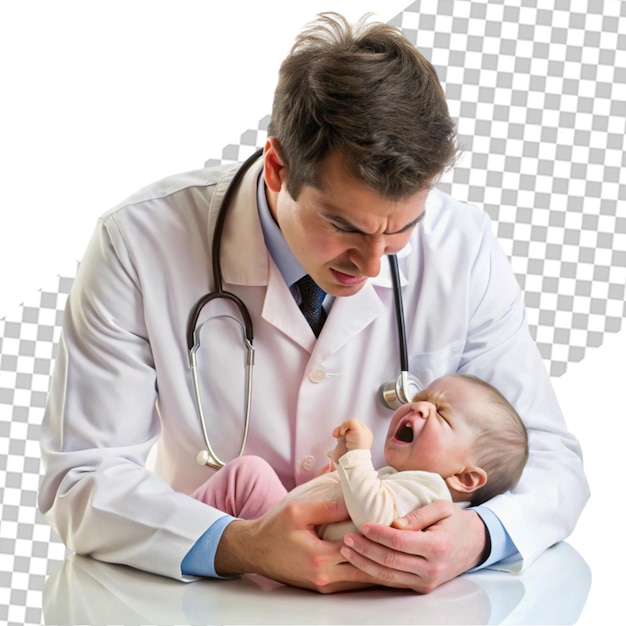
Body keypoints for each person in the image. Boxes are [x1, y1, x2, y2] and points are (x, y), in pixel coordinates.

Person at [38, 12, 589, 593]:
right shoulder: (139, 242)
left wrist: (477, 537)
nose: (373, 263)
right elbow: (82, 478)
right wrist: (240, 544)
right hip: (212, 596)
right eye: (343, 225)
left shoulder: (463, 248)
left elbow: (549, 456)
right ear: (278, 168)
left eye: (401, 229)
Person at [191, 374, 529, 543]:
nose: (418, 406)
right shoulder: (397, 476)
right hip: (292, 537)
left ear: (465, 479)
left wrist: (356, 457)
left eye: (441, 414)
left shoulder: (430, 491)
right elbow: (353, 506)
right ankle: (183, 527)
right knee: (248, 474)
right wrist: (335, 473)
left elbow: (377, 521)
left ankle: (185, 526)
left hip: (295, 550)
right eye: (422, 398)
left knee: (246, 476)